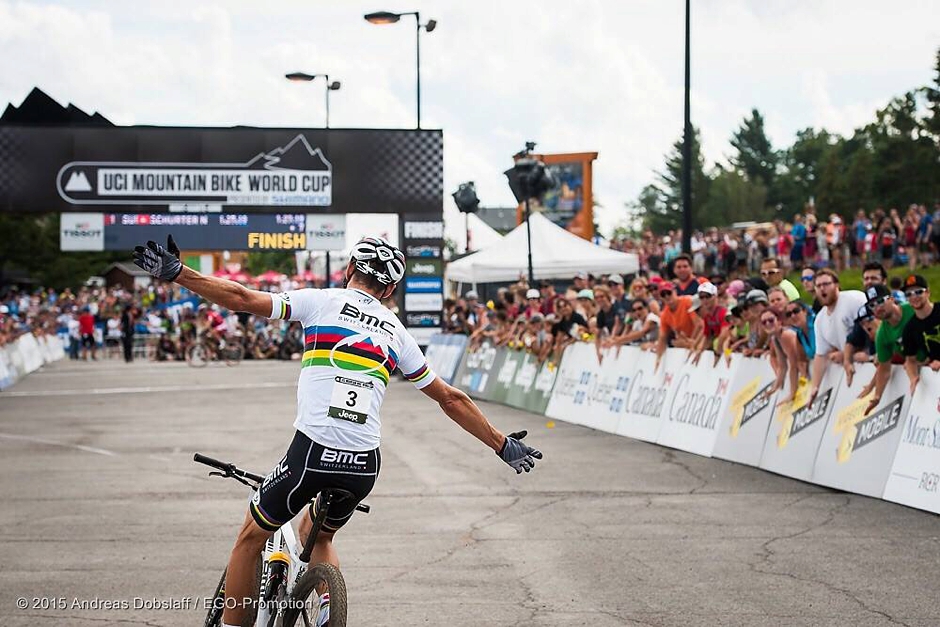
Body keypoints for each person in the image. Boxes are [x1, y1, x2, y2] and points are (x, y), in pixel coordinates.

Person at [132, 235, 544, 627]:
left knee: (251, 536)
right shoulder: (395, 331)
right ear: (388, 290)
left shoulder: (323, 301)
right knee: (319, 533)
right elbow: (450, 398)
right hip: (365, 464)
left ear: (349, 270)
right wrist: (501, 443)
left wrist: (179, 273)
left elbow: (241, 298)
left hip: (312, 452)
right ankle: (330, 609)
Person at [807, 269, 867, 406]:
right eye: (818, 286)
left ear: (837, 285)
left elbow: (872, 326)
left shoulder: (854, 299)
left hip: (868, 360)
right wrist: (815, 386)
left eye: (826, 284)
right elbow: (820, 355)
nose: (823, 289)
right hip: (851, 368)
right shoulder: (820, 319)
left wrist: (847, 355)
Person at [861, 284, 922, 413]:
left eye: (880, 301)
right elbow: (884, 370)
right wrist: (877, 396)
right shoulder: (882, 335)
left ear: (892, 299)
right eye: (872, 305)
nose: (877, 308)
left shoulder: (912, 309)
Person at [901, 274, 940, 394]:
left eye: (918, 292)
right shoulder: (909, 329)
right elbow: (910, 360)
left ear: (928, 293)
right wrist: (913, 378)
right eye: (909, 294)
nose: (914, 297)